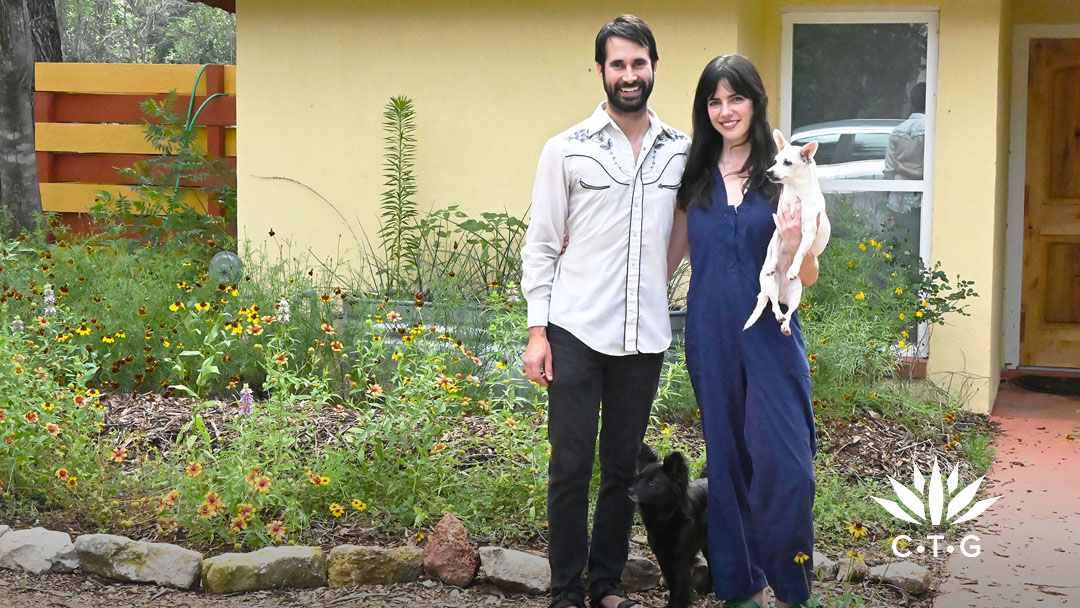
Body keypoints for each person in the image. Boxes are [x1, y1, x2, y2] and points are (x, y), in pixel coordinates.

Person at [520, 15, 688, 608]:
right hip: (574, 331)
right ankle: (566, 590)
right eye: (617, 64)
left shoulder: (680, 152)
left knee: (621, 471)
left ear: (654, 67)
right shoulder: (565, 149)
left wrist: (649, 284)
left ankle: (606, 585)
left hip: (644, 338)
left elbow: (684, 231)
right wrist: (538, 332)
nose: (629, 75)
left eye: (638, 63)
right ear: (601, 71)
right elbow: (541, 243)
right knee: (570, 467)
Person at [667, 54, 821, 608]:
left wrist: (796, 237)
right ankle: (741, 586)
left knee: (787, 464)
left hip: (772, 335)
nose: (725, 110)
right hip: (709, 333)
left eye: (735, 98)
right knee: (727, 462)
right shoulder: (697, 176)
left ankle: (793, 588)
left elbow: (809, 272)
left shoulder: (783, 174)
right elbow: (665, 261)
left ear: (755, 102)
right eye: (714, 100)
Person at [882, 82, 926, 247]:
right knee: (919, 244)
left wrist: (887, 197)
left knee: (899, 243)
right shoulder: (930, 130)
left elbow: (889, 171)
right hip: (920, 200)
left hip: (898, 199)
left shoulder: (898, 130)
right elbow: (931, 171)